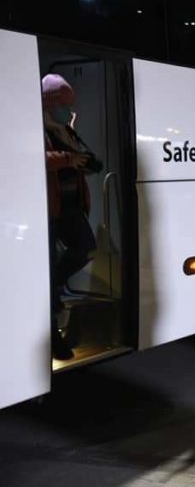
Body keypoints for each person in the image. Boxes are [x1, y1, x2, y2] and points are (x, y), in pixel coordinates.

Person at [42, 73, 99, 361]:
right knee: (49, 266)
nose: (68, 110)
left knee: (86, 248)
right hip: (48, 208)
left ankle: (52, 282)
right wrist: (67, 159)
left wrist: (84, 162)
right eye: (63, 105)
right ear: (48, 104)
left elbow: (80, 159)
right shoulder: (35, 126)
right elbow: (33, 157)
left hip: (70, 206)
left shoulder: (66, 130)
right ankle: (53, 337)